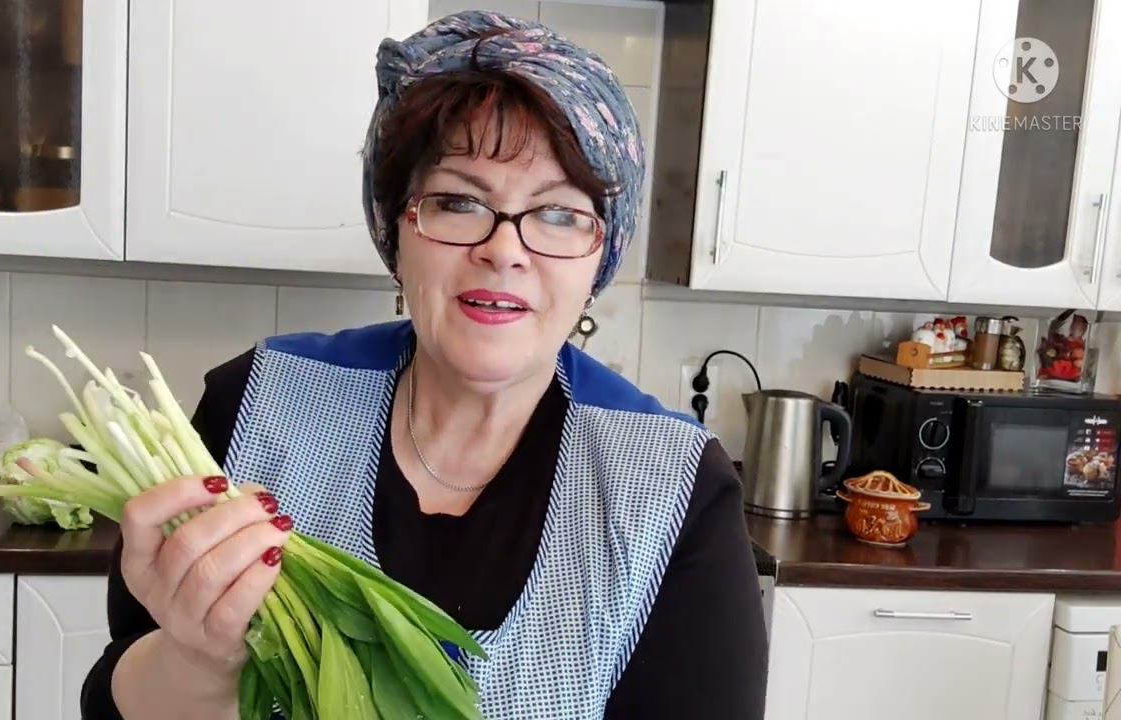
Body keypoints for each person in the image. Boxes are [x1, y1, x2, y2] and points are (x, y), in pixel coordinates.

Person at [81, 10, 767, 719]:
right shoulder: (256, 404)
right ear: (397, 232)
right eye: (458, 202)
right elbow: (117, 697)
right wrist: (198, 663)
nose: (504, 251)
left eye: (560, 214)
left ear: (600, 257)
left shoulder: (674, 487)